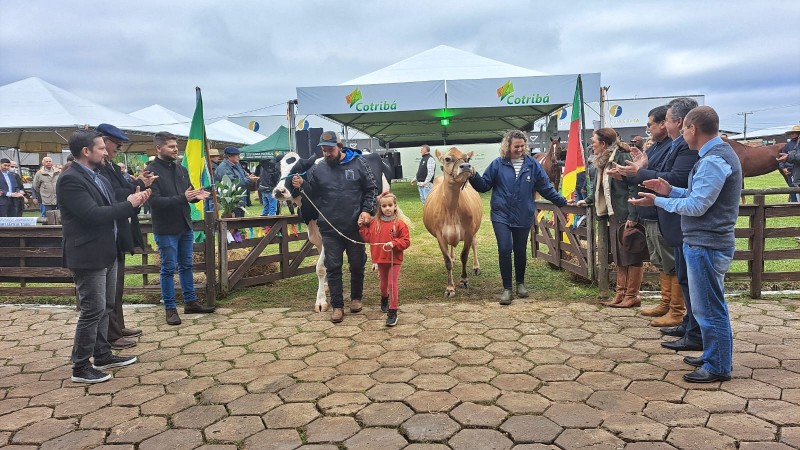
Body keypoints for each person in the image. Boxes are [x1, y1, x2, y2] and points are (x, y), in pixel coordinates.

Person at [630, 106, 741, 383]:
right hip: (704, 242)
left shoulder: (714, 160)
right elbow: (696, 194)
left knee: (709, 308)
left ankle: (717, 365)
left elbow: (697, 205)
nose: (681, 133)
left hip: (706, 243)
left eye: (684, 128)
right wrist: (670, 190)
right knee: (708, 306)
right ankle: (713, 356)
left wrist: (659, 200)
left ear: (692, 128)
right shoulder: (714, 156)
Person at [57, 130, 150, 383]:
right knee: (92, 309)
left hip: (107, 251)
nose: (106, 152)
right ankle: (80, 366)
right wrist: (129, 204)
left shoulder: (98, 177)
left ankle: (102, 354)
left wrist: (136, 199)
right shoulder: (70, 179)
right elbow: (93, 215)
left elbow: (112, 207)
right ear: (86, 151)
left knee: (106, 306)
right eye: (101, 148)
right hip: (87, 254)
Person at [608, 105, 693, 328]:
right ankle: (667, 303)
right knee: (660, 260)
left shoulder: (678, 147)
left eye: (651, 124)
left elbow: (674, 178)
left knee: (671, 262)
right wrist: (630, 173)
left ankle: (676, 310)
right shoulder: (657, 147)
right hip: (652, 209)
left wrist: (639, 171)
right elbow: (645, 175)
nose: (648, 128)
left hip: (663, 210)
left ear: (668, 123)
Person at [470, 130, 572, 305]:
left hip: (523, 214)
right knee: (504, 249)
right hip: (501, 214)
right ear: (507, 146)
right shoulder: (497, 164)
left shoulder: (532, 165)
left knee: (519, 250)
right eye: (516, 146)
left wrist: (564, 202)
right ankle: (507, 289)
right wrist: (473, 175)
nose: (520, 149)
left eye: (522, 146)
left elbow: (546, 188)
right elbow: (485, 185)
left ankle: (520, 284)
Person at [291, 130, 379, 323]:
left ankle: (356, 298)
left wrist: (367, 211)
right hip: (329, 226)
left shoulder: (359, 163)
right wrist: (302, 184)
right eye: (324, 150)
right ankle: (337, 306)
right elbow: (312, 193)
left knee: (357, 263)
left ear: (340, 147)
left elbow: (371, 189)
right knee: (333, 265)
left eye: (330, 150)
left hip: (355, 224)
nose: (327, 153)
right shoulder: (319, 168)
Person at [97, 123, 158, 349]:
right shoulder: (99, 170)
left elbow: (126, 187)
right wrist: (140, 185)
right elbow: (115, 195)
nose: (116, 149)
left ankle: (118, 326)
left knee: (117, 285)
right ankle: (111, 334)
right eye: (116, 144)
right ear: (103, 141)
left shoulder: (110, 167)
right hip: (110, 230)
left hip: (120, 229)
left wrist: (139, 183)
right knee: (109, 289)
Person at [147, 131, 215, 325]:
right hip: (166, 228)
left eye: (176, 146)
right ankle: (170, 308)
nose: (175, 149)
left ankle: (190, 301)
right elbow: (155, 202)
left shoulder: (180, 169)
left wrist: (197, 195)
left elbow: (188, 193)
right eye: (171, 146)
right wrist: (183, 198)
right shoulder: (151, 172)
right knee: (168, 268)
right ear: (158, 148)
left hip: (185, 225)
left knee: (187, 265)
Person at [576, 128, 642, 308]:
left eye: (594, 141)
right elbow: (602, 187)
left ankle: (632, 295)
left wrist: (633, 214)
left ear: (604, 144)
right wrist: (588, 200)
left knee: (631, 254)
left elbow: (633, 186)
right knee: (620, 256)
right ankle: (621, 294)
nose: (592, 145)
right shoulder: (603, 160)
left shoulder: (621, 158)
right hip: (613, 214)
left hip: (625, 213)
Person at [359, 192, 411, 326]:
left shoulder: (400, 224)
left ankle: (393, 311)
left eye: (390, 205)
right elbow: (369, 238)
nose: (387, 208)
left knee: (392, 284)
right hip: (381, 259)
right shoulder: (375, 223)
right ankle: (384, 298)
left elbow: (406, 241)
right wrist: (362, 227)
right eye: (384, 206)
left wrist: (394, 243)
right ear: (380, 208)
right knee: (383, 284)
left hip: (395, 259)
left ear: (395, 206)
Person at [214, 146, 258, 217]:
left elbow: (245, 175)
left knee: (240, 223)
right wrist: (249, 179)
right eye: (237, 156)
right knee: (234, 225)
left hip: (240, 200)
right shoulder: (223, 168)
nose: (239, 157)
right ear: (229, 156)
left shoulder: (237, 165)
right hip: (231, 202)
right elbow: (232, 183)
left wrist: (249, 178)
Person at [777, 125, 800, 202]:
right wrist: (783, 168)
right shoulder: (788, 145)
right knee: (793, 190)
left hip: (798, 170)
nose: (792, 134)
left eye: (794, 133)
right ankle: (793, 206)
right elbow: (781, 160)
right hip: (790, 171)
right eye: (791, 133)